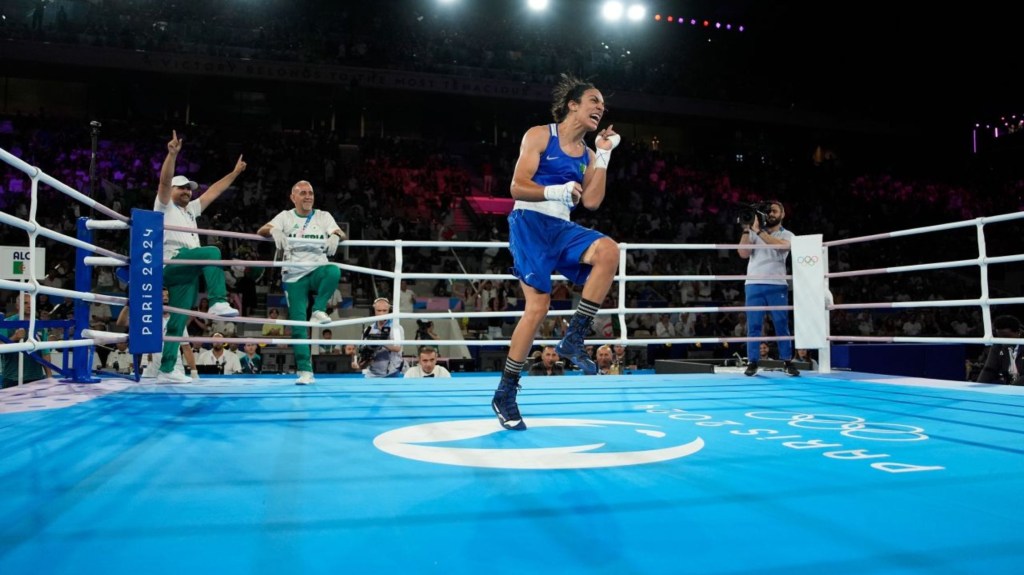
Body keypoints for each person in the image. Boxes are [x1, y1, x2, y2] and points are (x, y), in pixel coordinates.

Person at [490, 73, 621, 431]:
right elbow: (517, 185)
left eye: (603, 104)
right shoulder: (539, 135)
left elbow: (592, 201)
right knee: (537, 308)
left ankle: (574, 337)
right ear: (572, 105)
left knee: (609, 251)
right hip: (529, 222)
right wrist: (553, 191)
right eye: (594, 100)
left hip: (561, 227)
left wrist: (605, 157)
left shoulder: (589, 153)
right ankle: (505, 392)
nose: (601, 107)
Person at [155, 130, 244, 383]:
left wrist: (234, 173)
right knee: (213, 251)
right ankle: (217, 300)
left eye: (189, 189)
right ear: (172, 189)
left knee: (179, 319)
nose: (187, 192)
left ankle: (166, 370)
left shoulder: (191, 210)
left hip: (188, 268)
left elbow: (213, 192)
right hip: (173, 261)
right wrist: (171, 155)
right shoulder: (164, 205)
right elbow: (163, 182)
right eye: (182, 188)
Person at [258, 180, 344, 385]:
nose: (308, 196)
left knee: (334, 271)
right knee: (297, 323)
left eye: (311, 193)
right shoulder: (285, 216)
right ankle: (305, 371)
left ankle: (318, 309)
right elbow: (262, 229)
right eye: (303, 193)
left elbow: (340, 231)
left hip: (317, 269)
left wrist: (336, 236)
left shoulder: (323, 216)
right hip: (293, 275)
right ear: (293, 197)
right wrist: (273, 231)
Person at [737, 200, 800, 377]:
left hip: (777, 285)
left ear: (783, 214)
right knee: (754, 325)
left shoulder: (788, 235)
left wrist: (759, 231)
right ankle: (752, 361)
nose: (771, 214)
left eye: (774, 211)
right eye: (768, 211)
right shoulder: (754, 233)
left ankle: (787, 361)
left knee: (781, 324)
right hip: (753, 284)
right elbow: (743, 254)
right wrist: (747, 229)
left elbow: (780, 246)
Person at [1, 292, 52, 388]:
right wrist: (14, 338)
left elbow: (45, 353)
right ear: (17, 306)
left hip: (36, 377)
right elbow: (1, 348)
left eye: (31, 303)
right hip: (12, 377)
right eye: (25, 303)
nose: (29, 306)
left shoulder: (40, 326)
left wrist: (49, 376)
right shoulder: (6, 324)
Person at [352, 297, 405, 378]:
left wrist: (380, 342)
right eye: (379, 311)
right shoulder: (369, 329)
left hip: (392, 373)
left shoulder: (396, 327)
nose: (382, 314)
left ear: (389, 311)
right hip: (372, 373)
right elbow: (362, 350)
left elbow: (397, 348)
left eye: (384, 310)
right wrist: (359, 362)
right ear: (374, 311)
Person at [976, 315, 1023, 385]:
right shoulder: (997, 346)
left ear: (1018, 333)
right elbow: (988, 371)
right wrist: (978, 389)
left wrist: (1011, 389)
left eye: (1007, 336)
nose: (1003, 341)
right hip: (1008, 389)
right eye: (999, 337)